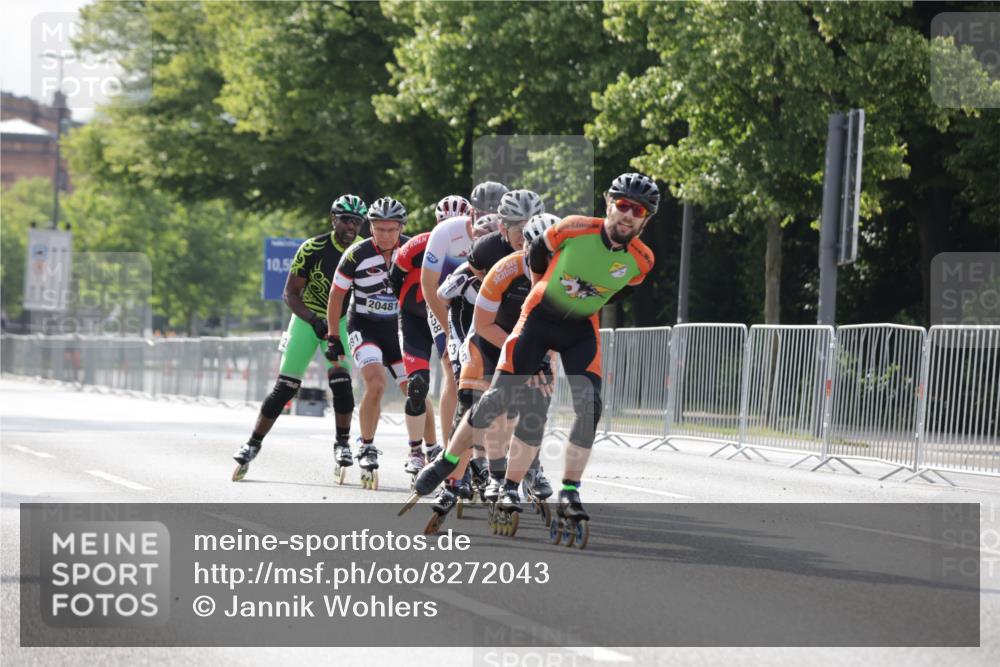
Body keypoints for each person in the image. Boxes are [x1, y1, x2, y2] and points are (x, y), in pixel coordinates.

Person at [409, 173, 659, 545]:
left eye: (637, 211)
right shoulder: (572, 230)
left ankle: (569, 490)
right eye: (622, 205)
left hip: (578, 329)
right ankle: (447, 461)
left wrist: (582, 303)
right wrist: (548, 290)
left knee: (589, 405)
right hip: (536, 320)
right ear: (608, 203)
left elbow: (621, 291)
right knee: (496, 400)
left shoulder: (642, 260)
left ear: (646, 218)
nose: (628, 215)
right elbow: (538, 256)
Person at [232, 194, 367, 481]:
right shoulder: (313, 248)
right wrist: (313, 320)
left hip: (340, 321)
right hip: (308, 319)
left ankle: (342, 445)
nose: (351, 227)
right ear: (334, 219)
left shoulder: (362, 251)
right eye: (346, 220)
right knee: (286, 387)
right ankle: (252, 443)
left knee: (341, 382)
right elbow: (290, 294)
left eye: (357, 222)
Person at [325, 196, 416, 489]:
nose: (386, 235)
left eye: (392, 229)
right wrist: (333, 337)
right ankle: (366, 444)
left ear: (402, 228)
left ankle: (422, 451)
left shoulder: (413, 249)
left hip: (398, 329)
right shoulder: (356, 254)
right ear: (371, 227)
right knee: (376, 383)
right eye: (379, 229)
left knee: (415, 390)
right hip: (363, 326)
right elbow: (336, 296)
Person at [387, 195, 471, 478]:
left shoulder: (477, 240)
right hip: (415, 319)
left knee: (457, 373)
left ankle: (451, 449)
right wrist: (406, 307)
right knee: (418, 385)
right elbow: (393, 278)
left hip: (452, 314)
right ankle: (415, 450)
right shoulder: (419, 244)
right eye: (443, 223)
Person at [421, 182, 509, 449]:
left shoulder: (509, 233)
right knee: (453, 367)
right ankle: (449, 449)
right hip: (446, 303)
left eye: (495, 214)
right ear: (471, 211)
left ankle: (488, 450)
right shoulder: (447, 231)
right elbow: (428, 285)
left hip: (486, 306)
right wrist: (449, 330)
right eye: (481, 213)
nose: (487, 219)